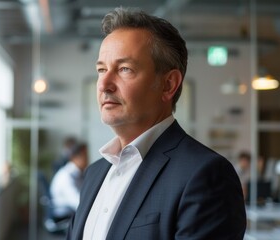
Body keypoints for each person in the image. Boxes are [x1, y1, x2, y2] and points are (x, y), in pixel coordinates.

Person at [66, 7, 246, 240]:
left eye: (124, 69)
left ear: (168, 84)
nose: (104, 84)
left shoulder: (206, 175)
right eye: (101, 69)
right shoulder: (94, 174)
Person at [50, 143, 88, 221]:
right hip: (65, 215)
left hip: (72, 212)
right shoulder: (66, 177)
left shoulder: (78, 174)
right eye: (85, 155)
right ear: (74, 157)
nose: (88, 159)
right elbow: (77, 203)